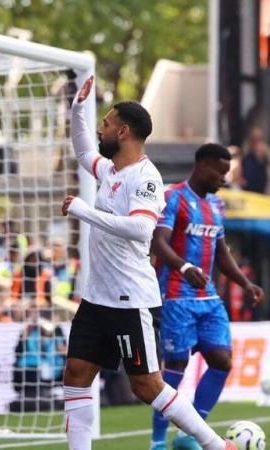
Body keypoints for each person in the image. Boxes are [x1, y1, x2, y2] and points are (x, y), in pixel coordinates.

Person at [61, 76, 236, 450]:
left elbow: (141, 230)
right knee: (76, 373)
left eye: (106, 124)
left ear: (123, 132)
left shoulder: (147, 179)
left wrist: (83, 211)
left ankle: (216, 445)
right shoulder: (109, 170)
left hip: (130, 299)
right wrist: (78, 109)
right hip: (97, 297)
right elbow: (81, 150)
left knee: (147, 386)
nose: (101, 129)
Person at [150, 143, 265, 450]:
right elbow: (158, 242)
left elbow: (221, 251)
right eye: (220, 171)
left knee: (222, 360)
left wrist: (244, 283)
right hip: (177, 295)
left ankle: (192, 430)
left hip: (209, 299)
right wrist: (184, 266)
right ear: (202, 166)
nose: (223, 179)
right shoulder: (172, 197)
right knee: (176, 365)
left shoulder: (217, 205)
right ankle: (158, 442)